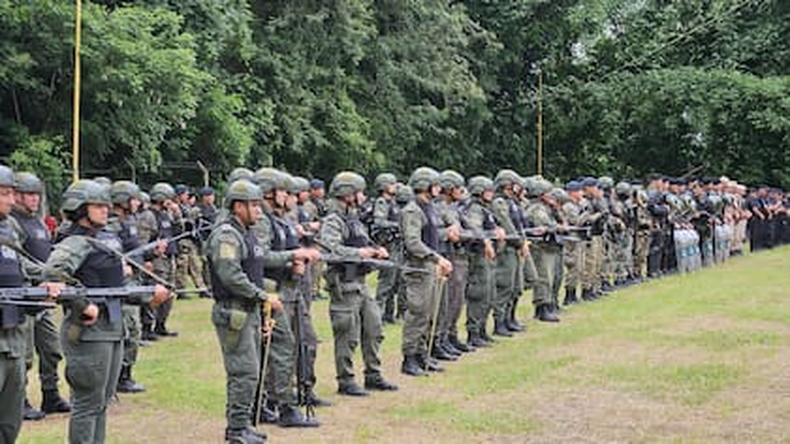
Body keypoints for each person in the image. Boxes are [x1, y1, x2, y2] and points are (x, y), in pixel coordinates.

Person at [44, 179, 170, 444]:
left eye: (106, 205)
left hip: (111, 329)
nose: (105, 210)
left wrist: (149, 297)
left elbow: (118, 287)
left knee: (101, 402)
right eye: (98, 205)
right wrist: (82, 304)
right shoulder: (77, 241)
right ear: (80, 208)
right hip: (90, 332)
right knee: (88, 404)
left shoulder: (103, 241)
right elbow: (53, 273)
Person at [204, 179, 273, 444]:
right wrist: (262, 295)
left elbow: (260, 260)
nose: (259, 210)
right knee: (243, 372)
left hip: (248, 311)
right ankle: (236, 430)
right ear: (238, 206)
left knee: (250, 371)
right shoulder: (226, 235)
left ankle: (242, 425)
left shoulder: (245, 233)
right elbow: (230, 275)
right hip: (234, 312)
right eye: (254, 205)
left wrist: (291, 256)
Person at [318, 171, 399, 393]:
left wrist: (375, 250)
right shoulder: (334, 220)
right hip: (344, 284)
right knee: (347, 333)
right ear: (347, 193)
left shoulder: (353, 218)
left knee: (374, 329)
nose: (362, 196)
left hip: (361, 284)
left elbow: (363, 240)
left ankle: (373, 374)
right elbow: (330, 247)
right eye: (359, 192)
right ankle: (345, 379)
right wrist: (360, 252)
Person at [10, 172, 71, 418]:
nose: (34, 199)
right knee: (22, 354)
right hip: (25, 295)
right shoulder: (12, 224)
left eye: (36, 194)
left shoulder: (38, 222)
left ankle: (50, 394)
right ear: (17, 196)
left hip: (44, 295)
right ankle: (19, 400)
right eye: (29, 194)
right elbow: (17, 259)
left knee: (51, 348)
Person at [399, 167, 453, 376]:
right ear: (425, 185)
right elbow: (413, 242)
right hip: (418, 268)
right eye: (435, 184)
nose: (439, 188)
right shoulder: (413, 210)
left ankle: (422, 353)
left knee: (429, 313)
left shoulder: (428, 207)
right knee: (417, 313)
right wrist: (436, 257)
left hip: (429, 267)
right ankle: (409, 358)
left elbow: (433, 235)